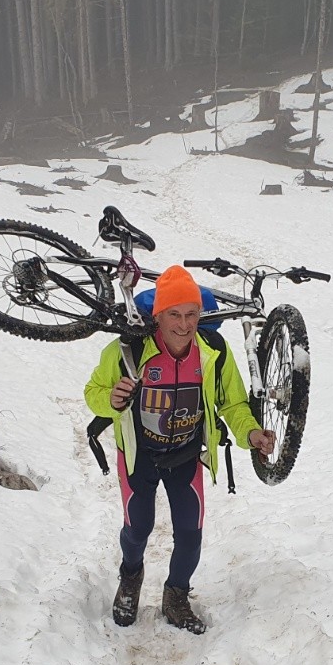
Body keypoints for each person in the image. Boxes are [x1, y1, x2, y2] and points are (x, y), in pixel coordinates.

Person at [84, 265, 276, 634]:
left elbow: (232, 405)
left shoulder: (214, 353)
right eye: (174, 314)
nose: (184, 324)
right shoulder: (128, 349)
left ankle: (176, 595)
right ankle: (130, 577)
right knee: (138, 527)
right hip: (139, 456)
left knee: (190, 533)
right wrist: (110, 399)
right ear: (158, 315)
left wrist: (251, 434)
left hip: (186, 455)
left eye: (191, 314)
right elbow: (92, 391)